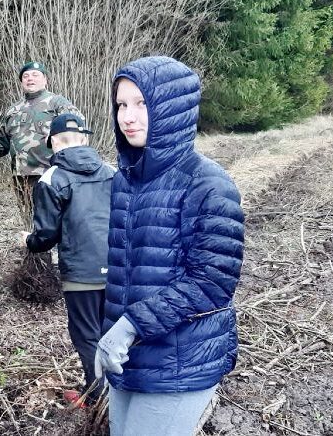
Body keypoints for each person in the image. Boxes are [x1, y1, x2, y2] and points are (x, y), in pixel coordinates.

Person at [95, 56, 244, 436]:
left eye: (142, 104)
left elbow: (211, 284)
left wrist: (129, 325)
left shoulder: (208, 184)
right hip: (132, 360)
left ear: (173, 107)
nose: (128, 116)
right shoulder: (125, 182)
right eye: (122, 105)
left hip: (181, 361)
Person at [19, 113, 114, 406]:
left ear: (53, 143)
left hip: (81, 273)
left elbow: (45, 236)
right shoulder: (112, 172)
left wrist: (27, 240)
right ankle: (119, 394)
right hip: (118, 269)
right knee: (113, 333)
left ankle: (99, 398)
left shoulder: (51, 179)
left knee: (86, 336)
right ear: (85, 139)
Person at [0, 61, 82, 225]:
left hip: (50, 173)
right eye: (26, 76)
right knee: (29, 223)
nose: (30, 79)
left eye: (35, 75)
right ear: (21, 82)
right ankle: (33, 249)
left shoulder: (56, 103)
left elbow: (76, 128)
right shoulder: (12, 111)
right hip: (21, 178)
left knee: (55, 221)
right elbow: (2, 145)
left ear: (45, 79)